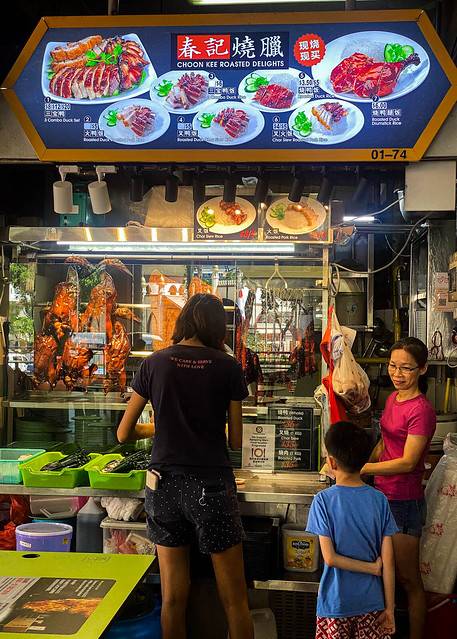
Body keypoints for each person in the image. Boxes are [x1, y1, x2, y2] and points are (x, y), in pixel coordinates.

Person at [117, 293, 253, 639]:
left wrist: (162, 426)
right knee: (235, 600)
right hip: (211, 486)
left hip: (163, 486)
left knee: (173, 598)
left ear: (183, 323)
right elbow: (236, 441)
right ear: (218, 328)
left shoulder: (155, 363)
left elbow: (124, 433)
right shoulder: (227, 366)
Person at [361, 337, 436, 639]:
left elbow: (407, 462)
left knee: (408, 581)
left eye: (406, 368)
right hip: (381, 497)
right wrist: (360, 468)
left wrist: (363, 469)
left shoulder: (422, 410)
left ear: (422, 369)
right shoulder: (393, 399)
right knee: (382, 574)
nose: (397, 374)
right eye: (393, 366)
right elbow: (384, 443)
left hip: (403, 501)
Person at [307, 421, 398, 639]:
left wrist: (371, 568)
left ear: (331, 462)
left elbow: (330, 558)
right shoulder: (379, 500)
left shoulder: (322, 501)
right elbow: (388, 563)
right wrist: (390, 609)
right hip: (372, 604)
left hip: (336, 605)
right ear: (365, 461)